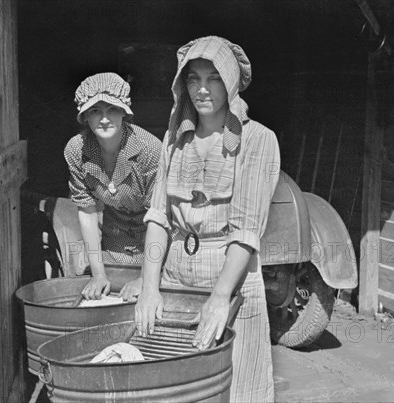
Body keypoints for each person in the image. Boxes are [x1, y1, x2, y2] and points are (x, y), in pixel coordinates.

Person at [134, 36, 280, 401]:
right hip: (175, 278)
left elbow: (246, 231)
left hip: (231, 281)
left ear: (230, 81)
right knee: (175, 384)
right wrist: (150, 286)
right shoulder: (173, 139)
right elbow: (158, 217)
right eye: (193, 78)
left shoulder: (257, 140)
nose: (202, 89)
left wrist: (219, 297)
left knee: (233, 384)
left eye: (213, 77)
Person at [64, 72, 162, 301]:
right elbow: (87, 212)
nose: (104, 118)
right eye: (96, 111)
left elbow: (160, 216)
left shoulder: (149, 149)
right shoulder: (76, 150)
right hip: (115, 239)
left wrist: (146, 280)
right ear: (85, 116)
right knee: (107, 299)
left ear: (124, 113)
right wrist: (98, 274)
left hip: (157, 240)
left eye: (112, 109)